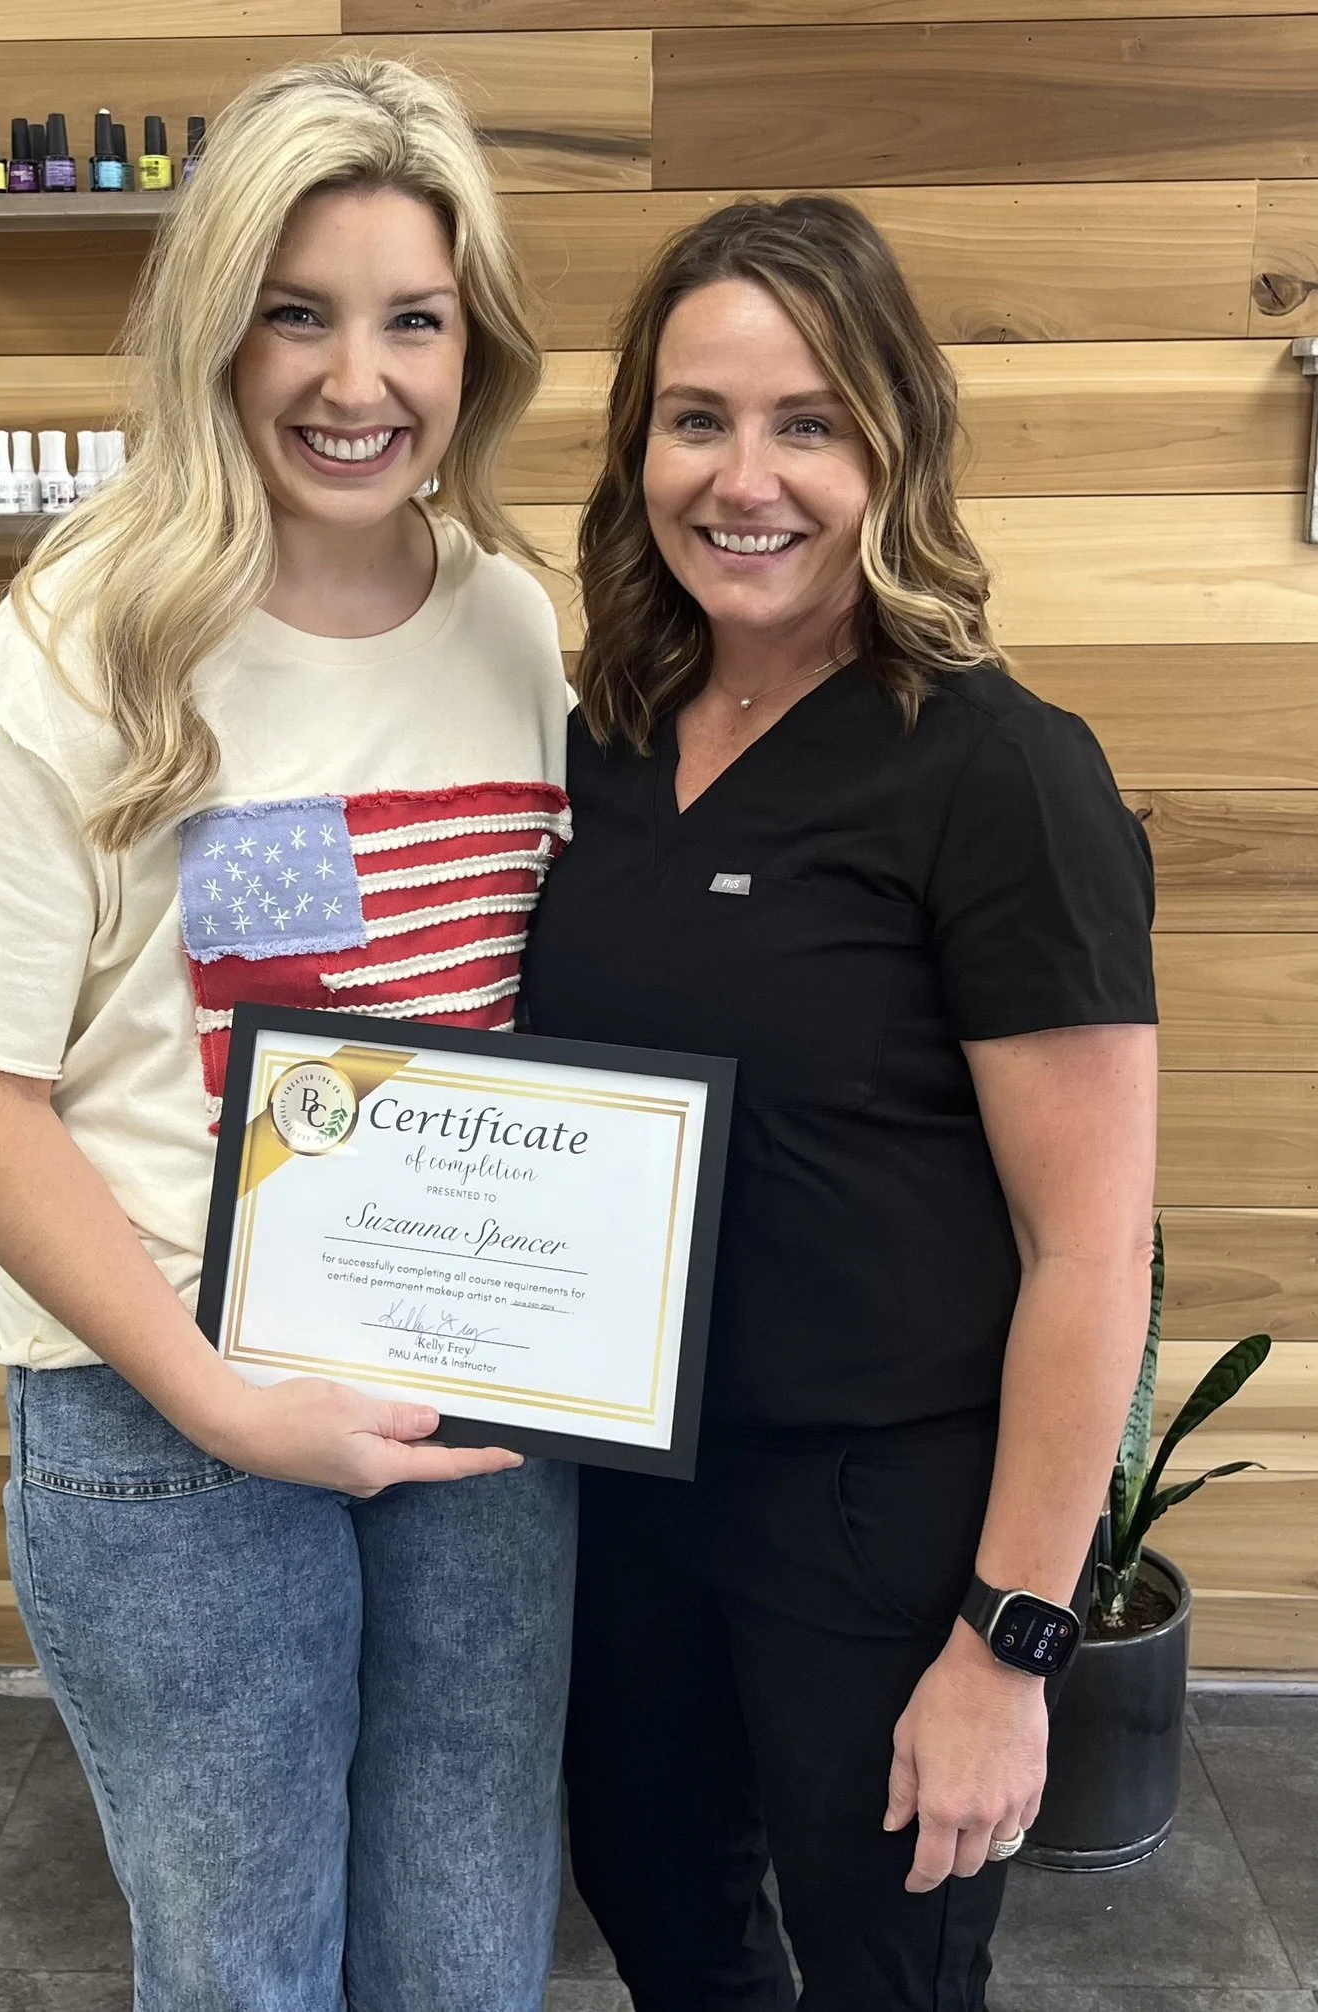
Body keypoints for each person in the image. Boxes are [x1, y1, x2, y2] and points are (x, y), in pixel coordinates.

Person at [0, 56, 575, 2012]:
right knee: (249, 1966)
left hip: (482, 1386)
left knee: (470, 1933)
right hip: (170, 1405)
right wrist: (220, 1396)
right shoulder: (84, 644)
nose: (360, 380)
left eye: (412, 318)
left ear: (472, 341)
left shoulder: (514, 616)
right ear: (210, 331)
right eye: (295, 311)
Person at [521, 196, 1158, 2012]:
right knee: (663, 1921)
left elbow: (1091, 1249)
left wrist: (1008, 1645)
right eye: (699, 418)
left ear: (895, 448)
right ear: (640, 439)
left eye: (812, 424)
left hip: (885, 1530)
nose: (749, 478)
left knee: (883, 1974)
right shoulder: (610, 734)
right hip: (633, 1500)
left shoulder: (1000, 772)